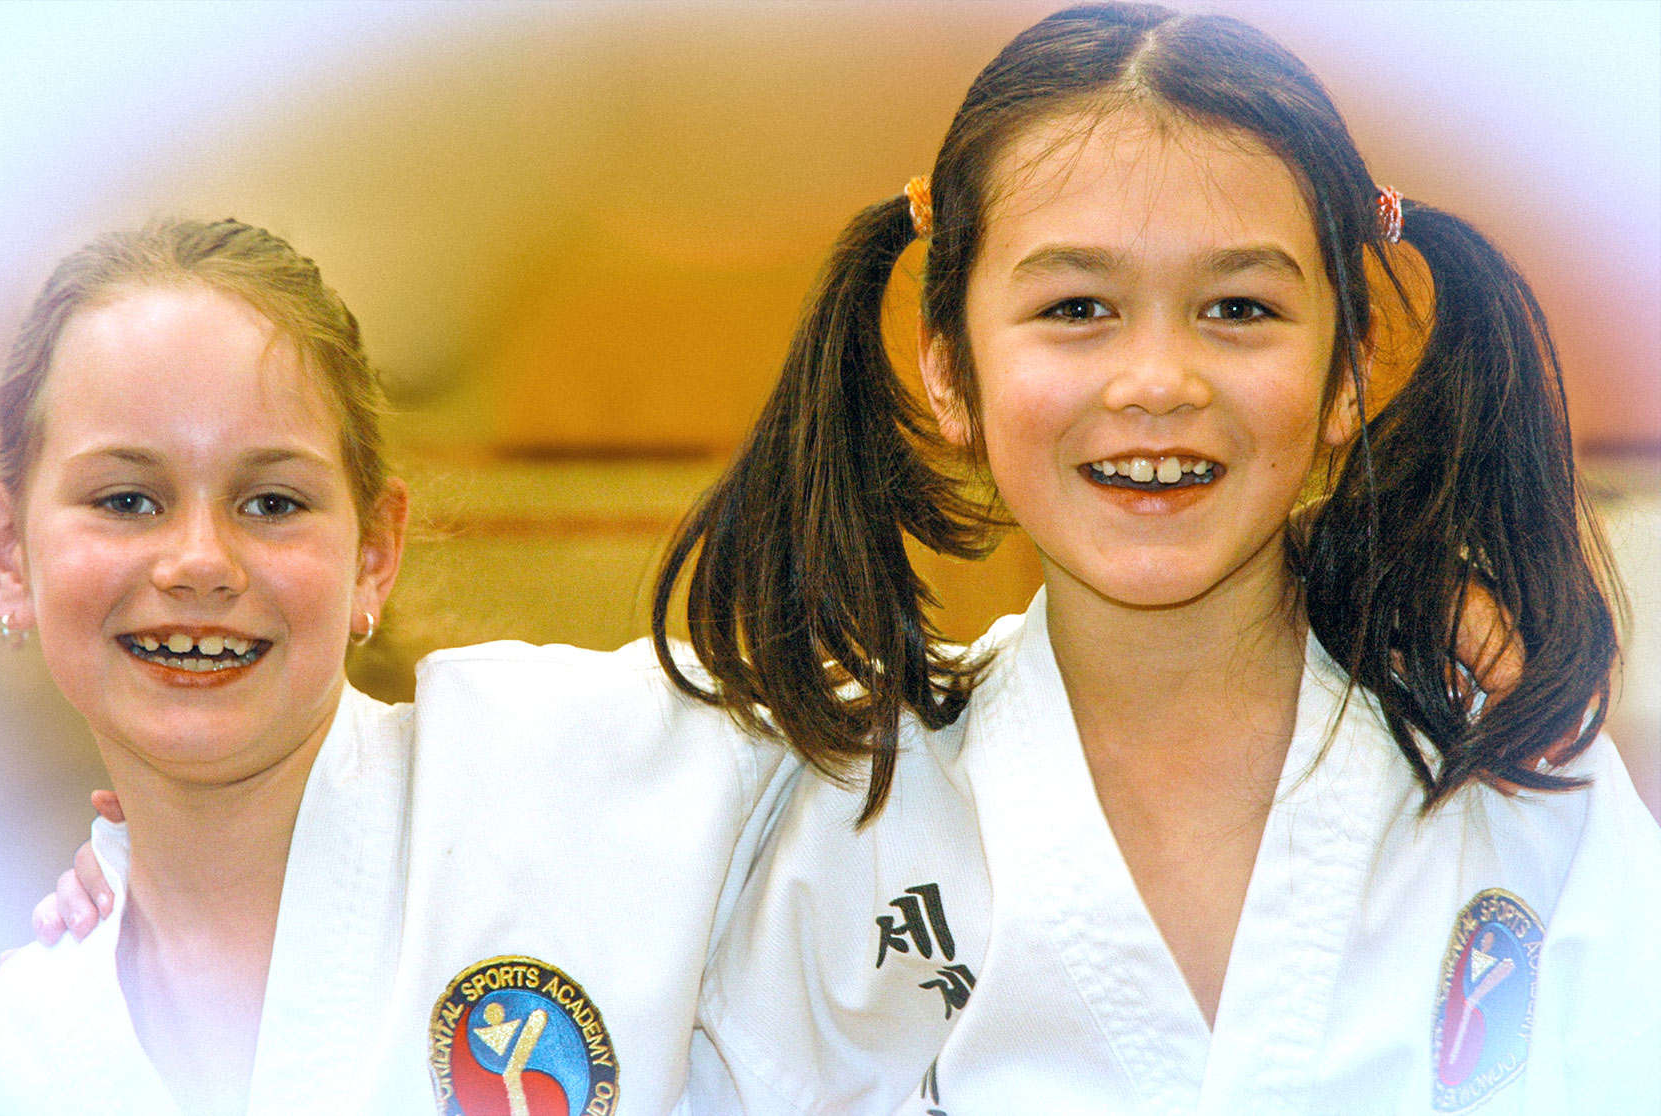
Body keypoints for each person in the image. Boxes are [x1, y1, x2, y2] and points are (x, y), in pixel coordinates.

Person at [650, 4, 1661, 1113]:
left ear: (1346, 366)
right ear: (949, 372)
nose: (1158, 380)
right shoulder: (838, 815)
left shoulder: (1511, 775)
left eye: (1240, 308)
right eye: (1076, 307)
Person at [0, 218, 793, 1115]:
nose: (200, 561)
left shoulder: (575, 769)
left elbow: (935, 736)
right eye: (128, 499)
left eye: (272, 501)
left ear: (374, 552)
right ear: (9, 552)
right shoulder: (27, 1044)